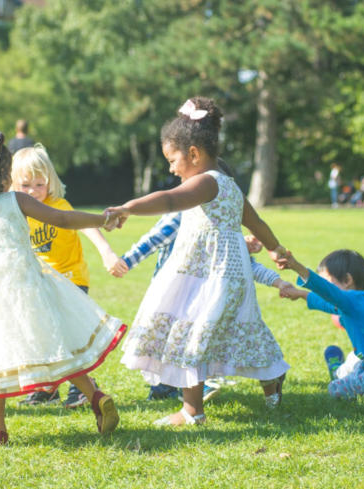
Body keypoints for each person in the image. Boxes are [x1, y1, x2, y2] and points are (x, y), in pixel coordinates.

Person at [105, 96, 290, 426]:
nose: (171, 168)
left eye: (173, 159)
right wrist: (275, 248)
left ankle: (192, 411)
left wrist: (129, 207)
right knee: (239, 330)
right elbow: (257, 223)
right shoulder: (230, 185)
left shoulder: (205, 183)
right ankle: (272, 386)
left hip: (208, 276)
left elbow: (170, 199)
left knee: (189, 333)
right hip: (230, 275)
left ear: (193, 153)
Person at [0, 132, 126, 445]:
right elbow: (62, 219)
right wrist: (103, 219)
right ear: (2, 173)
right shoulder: (15, 200)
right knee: (57, 345)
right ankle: (95, 397)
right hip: (28, 288)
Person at [111, 216, 296, 402]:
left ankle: (197, 388)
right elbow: (154, 239)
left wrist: (276, 280)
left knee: (196, 340)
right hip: (173, 292)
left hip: (206, 296)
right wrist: (126, 261)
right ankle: (167, 387)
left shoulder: (220, 219)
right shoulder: (181, 214)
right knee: (166, 340)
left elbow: (247, 264)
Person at [9, 144, 121, 409]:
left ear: (51, 182)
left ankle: (83, 389)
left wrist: (106, 251)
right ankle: (47, 389)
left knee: (69, 336)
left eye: (39, 184)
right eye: (25, 185)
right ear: (13, 184)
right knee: (42, 334)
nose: (33, 192)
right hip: (39, 283)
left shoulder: (58, 205)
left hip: (71, 280)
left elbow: (85, 226)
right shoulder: (17, 212)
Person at [277, 249, 364, 399]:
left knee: (334, 389)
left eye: (328, 283)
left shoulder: (349, 300)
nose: (326, 291)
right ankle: (342, 372)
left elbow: (326, 291)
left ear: (347, 280)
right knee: (355, 361)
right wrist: (300, 294)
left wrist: (296, 267)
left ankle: (336, 372)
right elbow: (326, 303)